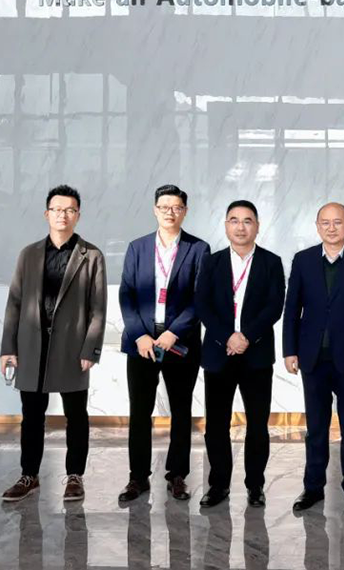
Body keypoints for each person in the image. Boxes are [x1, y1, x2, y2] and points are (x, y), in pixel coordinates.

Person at [0, 185, 107, 502]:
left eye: (69, 210)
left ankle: (75, 476)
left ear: (78, 215)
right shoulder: (29, 254)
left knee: (76, 414)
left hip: (72, 348)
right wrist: (8, 348)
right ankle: (28, 475)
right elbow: (14, 302)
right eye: (57, 210)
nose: (63, 215)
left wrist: (91, 348)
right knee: (32, 415)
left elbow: (98, 308)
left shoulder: (92, 256)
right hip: (32, 345)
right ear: (47, 214)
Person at [283, 203, 344, 513]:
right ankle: (312, 488)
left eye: (338, 222)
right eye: (325, 222)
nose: (331, 228)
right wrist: (289, 349)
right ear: (317, 226)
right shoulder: (303, 260)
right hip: (312, 358)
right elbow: (292, 308)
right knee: (316, 428)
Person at [117, 185, 211, 503]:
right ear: (155, 210)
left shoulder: (199, 249)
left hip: (180, 343)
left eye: (176, 207)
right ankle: (137, 477)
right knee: (139, 411)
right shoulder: (137, 247)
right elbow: (127, 294)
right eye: (164, 207)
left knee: (181, 411)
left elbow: (201, 298)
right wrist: (139, 334)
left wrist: (175, 331)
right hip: (142, 342)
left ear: (185, 211)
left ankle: (178, 475)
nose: (170, 212)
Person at [195, 200, 286, 507]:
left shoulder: (271, 262)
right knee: (216, 424)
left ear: (257, 226)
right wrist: (227, 337)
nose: (241, 227)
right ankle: (218, 485)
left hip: (256, 354)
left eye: (248, 221)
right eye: (234, 220)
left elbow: (274, 305)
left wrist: (246, 336)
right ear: (226, 226)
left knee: (257, 425)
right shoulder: (212, 262)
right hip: (219, 353)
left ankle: (255, 485)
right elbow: (202, 304)